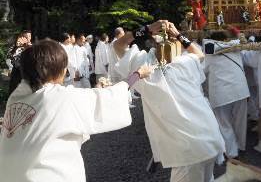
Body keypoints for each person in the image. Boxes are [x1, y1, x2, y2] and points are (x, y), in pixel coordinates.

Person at [0, 39, 153, 182]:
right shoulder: (60, 98)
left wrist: (94, 91)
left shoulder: (17, 97)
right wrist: (137, 74)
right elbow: (111, 97)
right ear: (58, 70)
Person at [116, 21, 226, 182]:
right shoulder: (186, 62)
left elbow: (118, 45)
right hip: (210, 135)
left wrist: (147, 28)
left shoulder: (143, 68)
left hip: (187, 149)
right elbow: (199, 54)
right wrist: (178, 34)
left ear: (152, 40)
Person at [203, 31, 250, 159]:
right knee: (240, 121)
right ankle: (241, 146)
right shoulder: (236, 48)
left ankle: (232, 153)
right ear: (226, 39)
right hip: (240, 90)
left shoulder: (209, 53)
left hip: (220, 93)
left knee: (224, 124)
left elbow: (203, 71)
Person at [7, 30, 32, 96]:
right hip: (17, 74)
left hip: (28, 75)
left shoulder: (32, 47)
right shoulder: (14, 48)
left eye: (30, 36)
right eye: (26, 36)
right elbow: (10, 59)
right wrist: (17, 47)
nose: (29, 38)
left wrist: (28, 47)